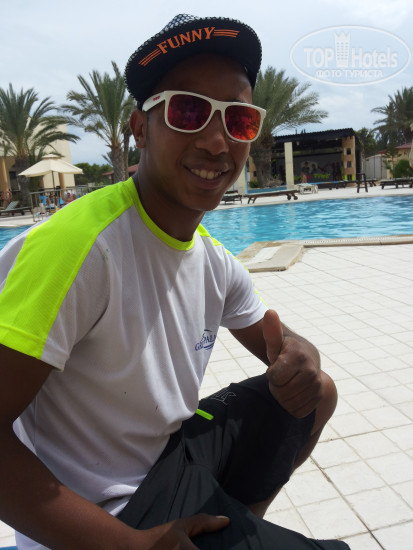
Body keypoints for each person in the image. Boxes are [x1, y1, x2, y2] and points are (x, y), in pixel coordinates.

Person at [0, 14, 349, 550]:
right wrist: (132, 546)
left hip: (169, 455)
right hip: (105, 511)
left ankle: (230, 525)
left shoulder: (210, 259)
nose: (216, 142)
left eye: (239, 120)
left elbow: (280, 344)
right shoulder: (82, 248)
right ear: (140, 128)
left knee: (316, 393)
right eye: (188, 111)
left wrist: (303, 356)